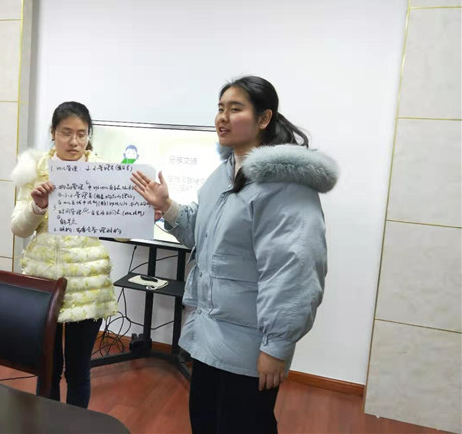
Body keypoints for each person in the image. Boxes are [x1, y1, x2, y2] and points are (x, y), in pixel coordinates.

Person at [131, 76, 338, 434]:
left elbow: (295, 272)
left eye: (235, 109)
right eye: (220, 108)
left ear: (264, 118)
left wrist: (276, 346)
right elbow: (202, 235)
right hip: (208, 337)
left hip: (249, 348)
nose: (222, 118)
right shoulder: (224, 172)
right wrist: (167, 206)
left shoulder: (284, 186)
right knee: (205, 422)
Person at [10, 101, 118, 408]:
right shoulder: (34, 172)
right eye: (66, 133)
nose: (74, 141)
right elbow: (18, 228)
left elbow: (121, 229)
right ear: (53, 133)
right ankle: (46, 424)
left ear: (89, 135)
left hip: (88, 283)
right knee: (47, 367)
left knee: (78, 370)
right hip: (45, 281)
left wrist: (141, 214)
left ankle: (75, 425)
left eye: (81, 134)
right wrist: (37, 207)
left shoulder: (104, 172)